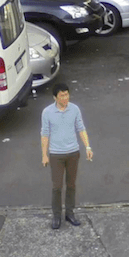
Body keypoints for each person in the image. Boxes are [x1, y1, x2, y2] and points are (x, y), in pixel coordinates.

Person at [41, 83, 93, 229]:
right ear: (55, 97)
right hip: (56, 154)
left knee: (71, 185)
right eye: (62, 96)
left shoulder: (74, 109)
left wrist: (87, 146)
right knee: (57, 187)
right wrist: (44, 155)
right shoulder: (47, 112)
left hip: (73, 152)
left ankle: (70, 213)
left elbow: (81, 128)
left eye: (67, 95)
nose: (65, 98)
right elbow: (44, 134)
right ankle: (56, 216)